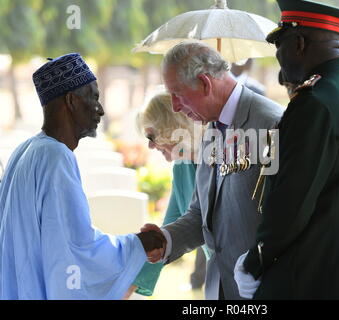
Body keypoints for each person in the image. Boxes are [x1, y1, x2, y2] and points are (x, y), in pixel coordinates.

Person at [234, 0, 339, 299]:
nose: (280, 68)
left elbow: (293, 201)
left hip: (312, 276)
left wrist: (255, 260)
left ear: (299, 44)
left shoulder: (314, 103)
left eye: (281, 50)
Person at [0, 53, 164, 299]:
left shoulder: (26, 150)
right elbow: (76, 249)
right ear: (71, 101)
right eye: (94, 97)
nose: (100, 110)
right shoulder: (56, 156)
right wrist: (138, 245)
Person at [143, 41, 283, 300]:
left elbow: (290, 218)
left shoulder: (271, 124)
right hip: (218, 289)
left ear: (205, 83)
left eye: (178, 94)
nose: (174, 106)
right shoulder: (211, 131)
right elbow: (200, 214)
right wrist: (165, 240)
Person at [126, 92, 209, 297]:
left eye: (152, 136)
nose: (150, 146)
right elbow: (170, 226)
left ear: (172, 127)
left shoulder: (216, 154)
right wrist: (127, 287)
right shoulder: (183, 165)